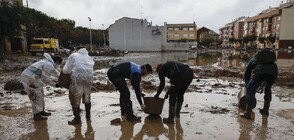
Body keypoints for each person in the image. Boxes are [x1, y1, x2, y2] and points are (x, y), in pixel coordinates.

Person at [21, 53, 62, 120]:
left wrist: (62, 77)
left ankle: (41, 111)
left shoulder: (49, 64)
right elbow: (44, 79)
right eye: (59, 64)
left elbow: (56, 73)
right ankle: (36, 114)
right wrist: (55, 84)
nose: (58, 65)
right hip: (29, 77)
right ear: (57, 61)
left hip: (33, 77)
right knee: (36, 95)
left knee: (41, 93)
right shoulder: (48, 65)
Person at [241, 48, 278, 120]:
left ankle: (247, 113)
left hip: (261, 72)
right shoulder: (270, 59)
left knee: (251, 90)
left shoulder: (253, 59)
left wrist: (247, 83)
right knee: (268, 89)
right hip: (273, 72)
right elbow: (267, 74)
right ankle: (265, 110)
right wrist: (263, 84)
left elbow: (247, 73)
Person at [63, 46, 95, 124]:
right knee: (87, 96)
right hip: (89, 78)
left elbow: (66, 70)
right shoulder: (88, 57)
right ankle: (88, 117)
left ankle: (77, 119)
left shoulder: (73, 55)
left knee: (75, 97)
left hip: (77, 77)